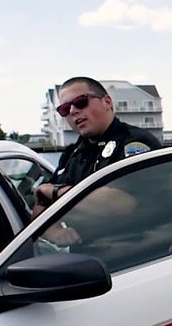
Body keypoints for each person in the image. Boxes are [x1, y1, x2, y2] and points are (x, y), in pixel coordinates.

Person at [33, 76, 163, 244]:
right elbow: (41, 205)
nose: (73, 111)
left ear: (107, 102)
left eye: (80, 102)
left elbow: (122, 203)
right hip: (89, 255)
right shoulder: (72, 154)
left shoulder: (135, 143)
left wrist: (57, 192)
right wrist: (54, 231)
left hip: (141, 252)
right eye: (65, 109)